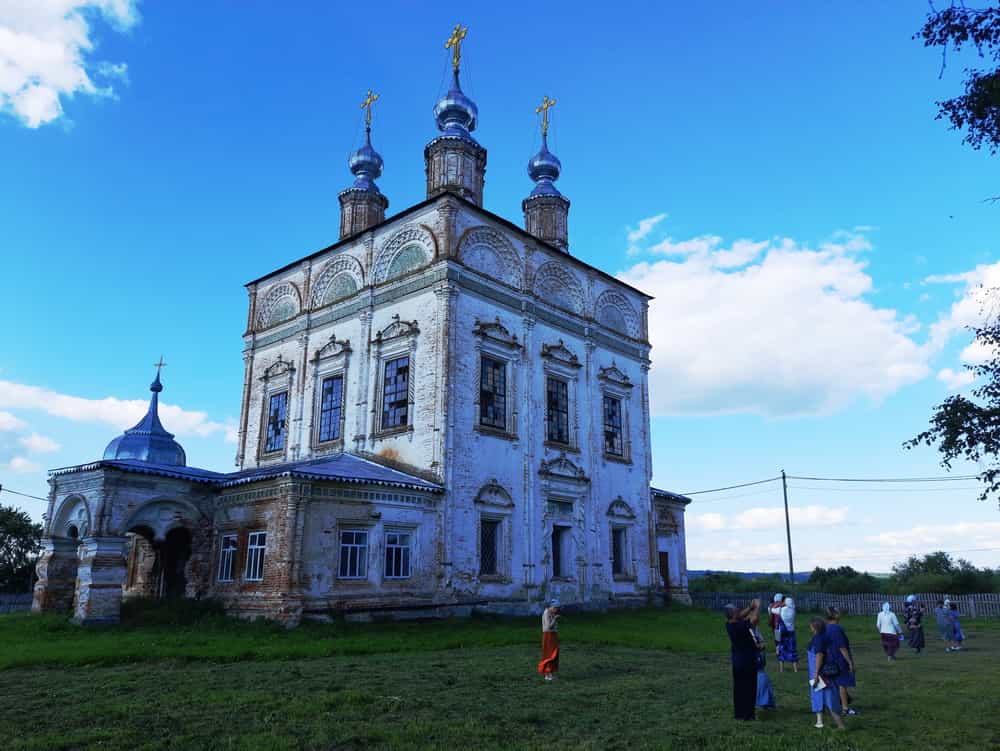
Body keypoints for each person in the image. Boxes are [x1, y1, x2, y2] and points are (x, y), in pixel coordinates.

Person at [807, 617, 846, 730]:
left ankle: (840, 726)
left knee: (828, 699)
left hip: (820, 673)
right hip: (824, 672)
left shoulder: (818, 639)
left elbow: (819, 655)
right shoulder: (825, 637)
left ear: (814, 627)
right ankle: (822, 722)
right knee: (826, 697)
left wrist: (816, 674)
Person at [725, 599, 761, 721]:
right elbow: (754, 619)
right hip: (748, 661)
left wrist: (750, 607)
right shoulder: (742, 626)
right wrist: (756, 607)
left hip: (737, 661)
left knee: (739, 688)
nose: (739, 611)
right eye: (737, 611)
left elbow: (740, 615)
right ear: (734, 614)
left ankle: (739, 714)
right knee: (749, 688)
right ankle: (748, 715)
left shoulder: (730, 625)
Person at [824, 607, 858, 716]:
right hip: (839, 660)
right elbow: (842, 647)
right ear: (835, 615)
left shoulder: (825, 628)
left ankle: (833, 705)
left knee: (833, 684)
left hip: (829, 659)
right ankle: (845, 708)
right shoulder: (837, 628)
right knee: (842, 684)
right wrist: (850, 662)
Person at [750, 613, 776, 711]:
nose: (757, 620)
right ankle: (763, 701)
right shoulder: (748, 630)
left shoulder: (755, 629)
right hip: (755, 658)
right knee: (762, 679)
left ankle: (766, 702)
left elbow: (760, 641)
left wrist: (761, 645)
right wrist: (759, 646)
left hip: (759, 657)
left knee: (763, 679)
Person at [537, 599, 561, 680]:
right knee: (549, 654)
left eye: (557, 608)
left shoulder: (552, 613)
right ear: (552, 607)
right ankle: (547, 674)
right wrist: (555, 619)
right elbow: (548, 627)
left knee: (554, 654)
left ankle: (551, 673)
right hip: (548, 636)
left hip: (553, 635)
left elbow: (554, 626)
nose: (557, 610)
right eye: (556, 608)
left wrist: (555, 619)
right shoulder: (546, 613)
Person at [777, 595, 799, 672]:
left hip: (782, 632)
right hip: (791, 631)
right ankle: (795, 669)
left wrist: (775, 605)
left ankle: (781, 669)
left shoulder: (781, 610)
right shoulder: (793, 610)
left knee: (781, 649)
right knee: (792, 649)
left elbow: (771, 609)